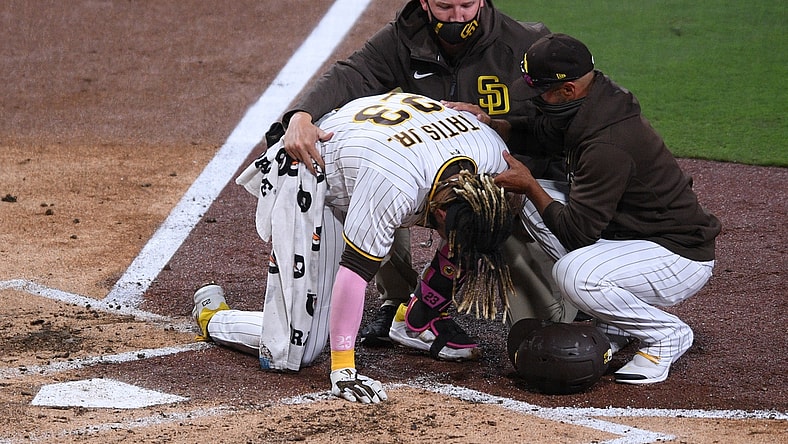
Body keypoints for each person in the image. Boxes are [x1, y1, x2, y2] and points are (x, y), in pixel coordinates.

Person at [192, 92, 517, 404]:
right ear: (442, 213)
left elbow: (487, 220)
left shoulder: (494, 159)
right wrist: (344, 368)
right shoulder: (395, 184)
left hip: (375, 146)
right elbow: (354, 275)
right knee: (296, 349)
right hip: (315, 168)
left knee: (478, 233)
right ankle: (213, 316)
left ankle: (418, 317)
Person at [277, 0, 563, 346]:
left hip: (508, 184)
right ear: (425, 3)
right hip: (434, 175)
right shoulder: (403, 38)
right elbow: (353, 75)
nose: (457, 17)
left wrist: (500, 125)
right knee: (381, 186)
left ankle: (439, 296)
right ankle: (401, 302)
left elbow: (557, 127)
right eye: (444, 6)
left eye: (466, 5)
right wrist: (301, 115)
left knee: (548, 324)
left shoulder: (524, 45)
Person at [490, 33, 721, 384]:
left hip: (677, 256)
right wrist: (495, 126)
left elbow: (577, 232)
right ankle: (615, 318)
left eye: (542, 92)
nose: (537, 100)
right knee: (529, 203)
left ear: (568, 90)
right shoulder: (592, 104)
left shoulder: (607, 143)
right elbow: (541, 132)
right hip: (633, 239)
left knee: (574, 273)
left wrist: (531, 184)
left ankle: (666, 335)